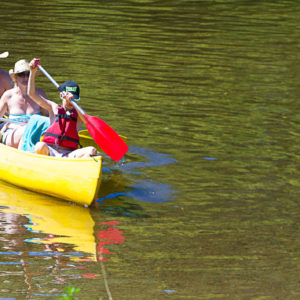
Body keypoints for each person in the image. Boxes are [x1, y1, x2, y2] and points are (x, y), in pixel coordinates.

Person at [28, 58, 97, 158]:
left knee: (92, 150)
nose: (70, 101)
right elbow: (32, 94)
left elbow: (87, 122)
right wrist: (32, 72)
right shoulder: (53, 108)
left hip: (69, 154)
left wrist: (74, 104)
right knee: (39, 146)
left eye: (74, 99)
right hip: (51, 151)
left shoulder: (78, 115)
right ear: (61, 96)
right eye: (68, 98)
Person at [0, 59, 48, 148]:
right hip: (12, 132)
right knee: (25, 131)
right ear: (15, 77)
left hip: (35, 133)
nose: (25, 77)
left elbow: (50, 116)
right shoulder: (8, 96)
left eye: (28, 74)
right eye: (21, 74)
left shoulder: (40, 94)